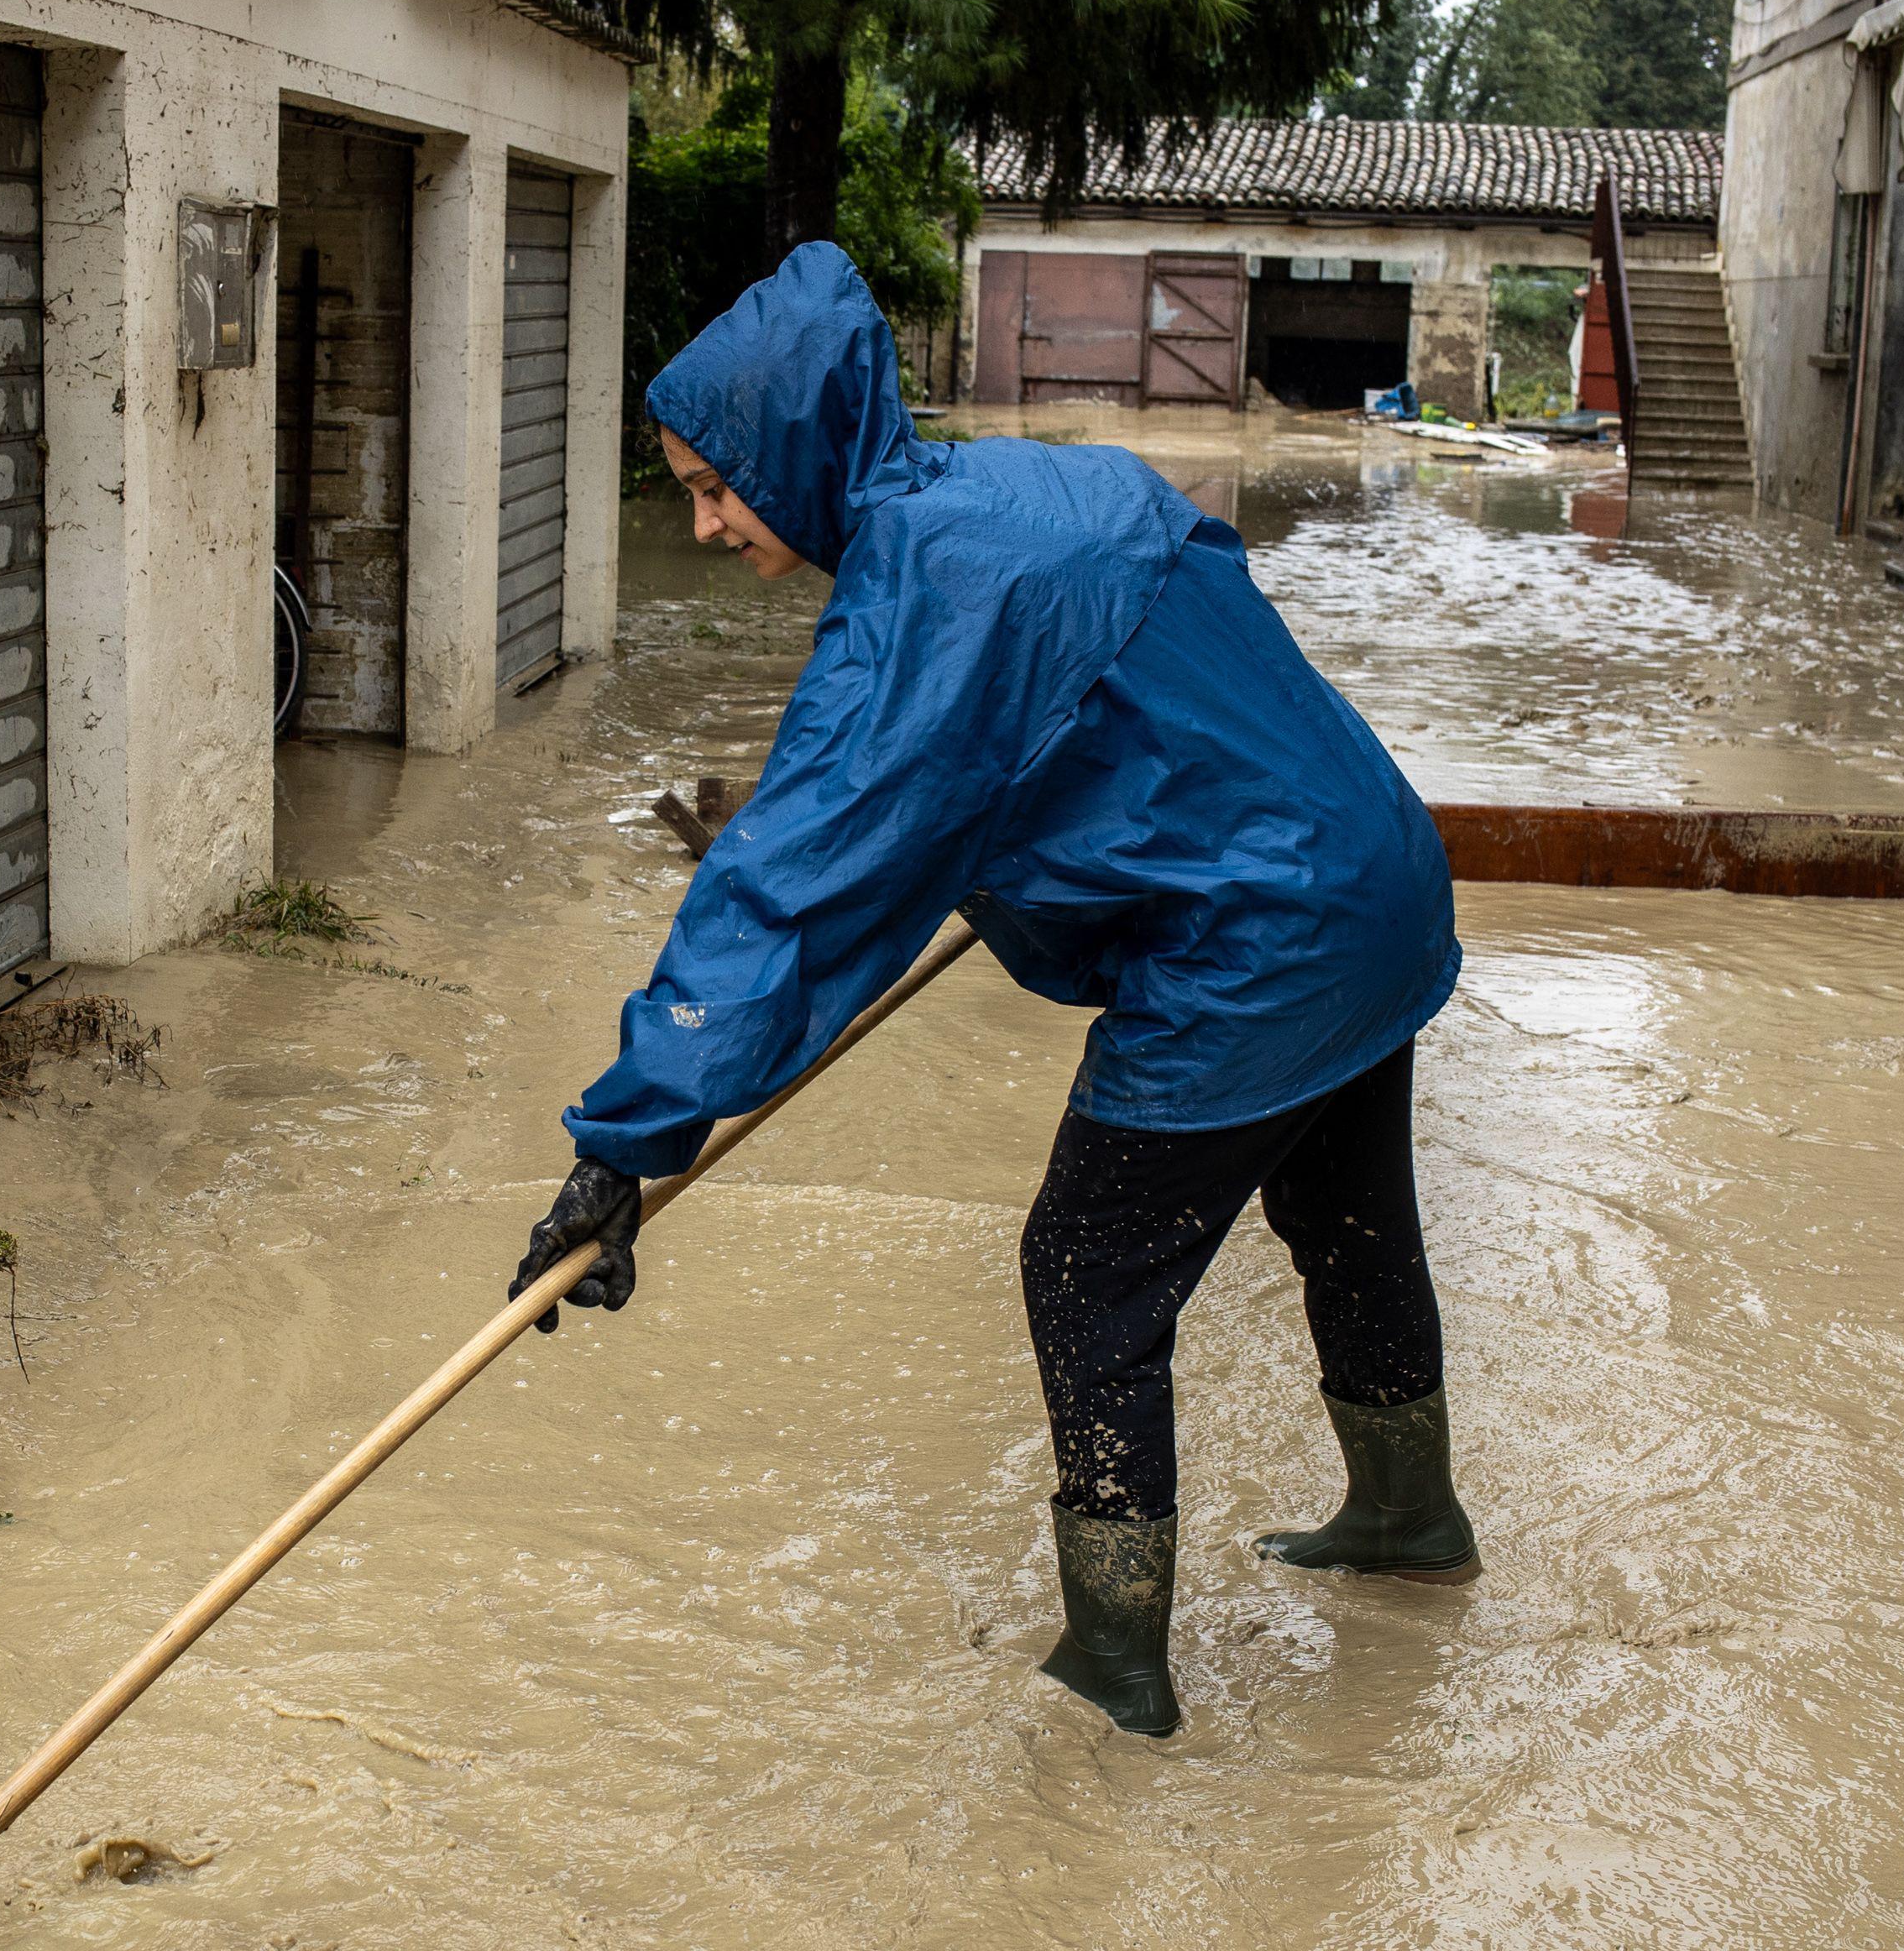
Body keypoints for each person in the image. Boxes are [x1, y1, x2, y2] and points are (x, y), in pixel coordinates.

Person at [507, 244, 1466, 1740]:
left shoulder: (928, 594)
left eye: (715, 486)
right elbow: (1155, 692)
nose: (703, 526)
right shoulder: (1023, 488)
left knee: (1084, 1273)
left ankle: (1114, 1676)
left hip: (1258, 944)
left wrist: (621, 1145)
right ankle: (1410, 1525)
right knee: (1347, 1217)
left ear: (795, 451)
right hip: (1377, 883)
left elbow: (791, 890)